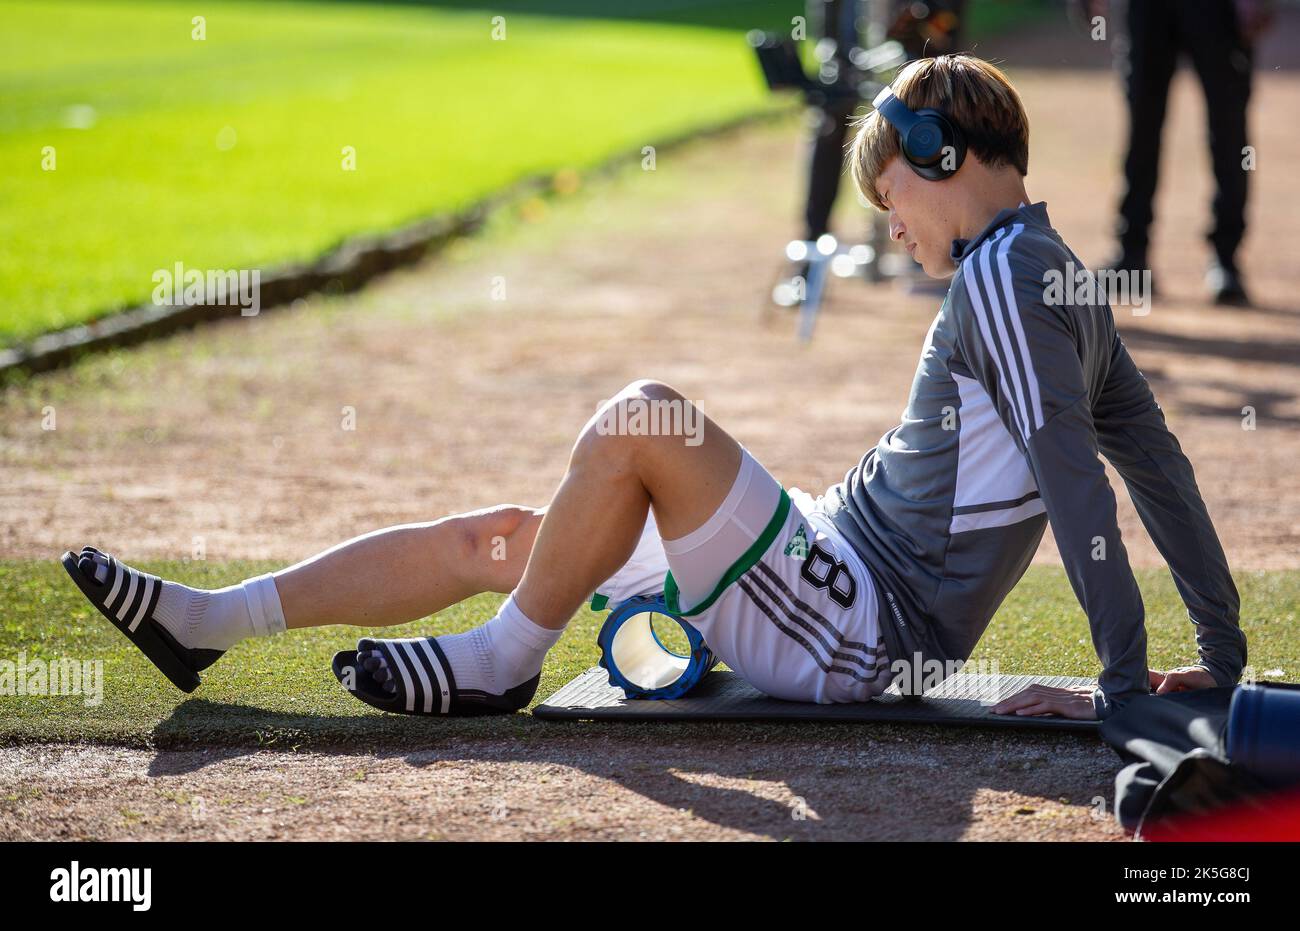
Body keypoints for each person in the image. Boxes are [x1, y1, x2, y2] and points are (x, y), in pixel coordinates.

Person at [63, 54, 1246, 722]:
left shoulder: (997, 281)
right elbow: (1163, 475)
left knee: (643, 416)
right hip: (830, 558)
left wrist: (1124, 692)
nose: (890, 226)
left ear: (943, 157)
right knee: (522, 540)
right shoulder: (1058, 278)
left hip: (861, 624)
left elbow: (1084, 488)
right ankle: (207, 623)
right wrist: (1223, 653)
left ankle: (499, 663)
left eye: (892, 196)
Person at [1097, 0, 1275, 305]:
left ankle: (1226, 258)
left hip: (1218, 10)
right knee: (1142, 127)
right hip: (1147, 9)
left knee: (1228, 126)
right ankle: (1132, 255)